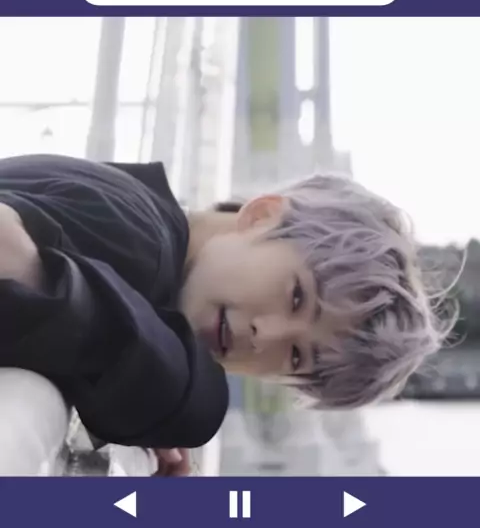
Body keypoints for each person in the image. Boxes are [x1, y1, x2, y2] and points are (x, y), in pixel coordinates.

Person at [0, 154, 452, 476]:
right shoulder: (139, 240)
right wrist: (157, 382)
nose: (265, 335)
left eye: (296, 356)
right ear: (262, 216)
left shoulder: (141, 220)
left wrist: (137, 382)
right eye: (296, 296)